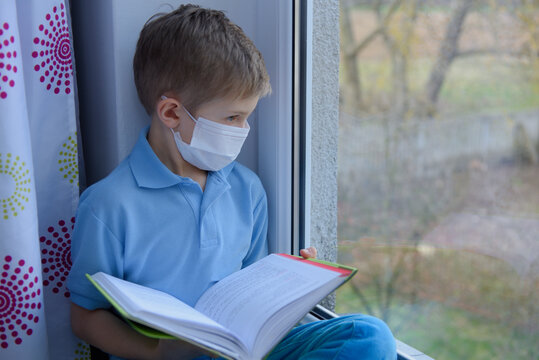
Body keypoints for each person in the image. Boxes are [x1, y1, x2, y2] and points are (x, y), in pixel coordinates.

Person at [67, 4, 396, 360]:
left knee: (367, 335)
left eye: (247, 117)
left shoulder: (246, 190)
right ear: (172, 113)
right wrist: (158, 352)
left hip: (239, 352)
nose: (243, 131)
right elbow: (85, 317)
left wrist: (293, 284)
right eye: (233, 117)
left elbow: (248, 297)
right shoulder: (109, 205)